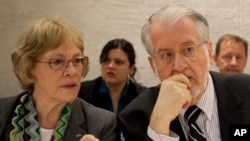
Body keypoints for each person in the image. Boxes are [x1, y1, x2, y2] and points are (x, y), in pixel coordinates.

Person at [118, 4, 250, 141]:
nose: (179, 66)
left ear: (209, 52)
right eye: (166, 55)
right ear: (153, 65)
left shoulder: (246, 91)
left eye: (188, 49)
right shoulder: (136, 117)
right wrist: (160, 122)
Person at [0, 18, 118, 141]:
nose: (72, 72)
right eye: (57, 61)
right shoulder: (3, 114)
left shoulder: (101, 123)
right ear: (29, 67)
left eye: (77, 60)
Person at [78, 38, 147, 141]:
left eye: (118, 62)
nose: (110, 66)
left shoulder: (143, 97)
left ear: (131, 69)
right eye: (106, 60)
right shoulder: (82, 92)